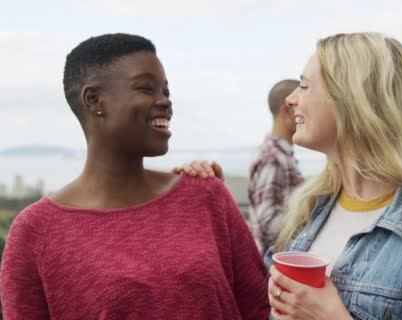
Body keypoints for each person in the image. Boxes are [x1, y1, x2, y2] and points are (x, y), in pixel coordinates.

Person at [183, 32, 402, 320]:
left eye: (303, 86)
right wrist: (199, 198)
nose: (290, 100)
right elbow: (248, 294)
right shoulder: (310, 210)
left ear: (350, 99)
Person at [0, 33, 269, 319]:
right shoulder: (36, 231)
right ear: (94, 100)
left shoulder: (205, 195)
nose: (164, 101)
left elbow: (260, 309)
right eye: (146, 88)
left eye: (165, 91)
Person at [248, 79, 304, 253]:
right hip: (272, 266)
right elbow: (267, 225)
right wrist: (309, 215)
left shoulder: (278, 154)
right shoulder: (273, 157)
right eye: (299, 107)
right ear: (286, 111)